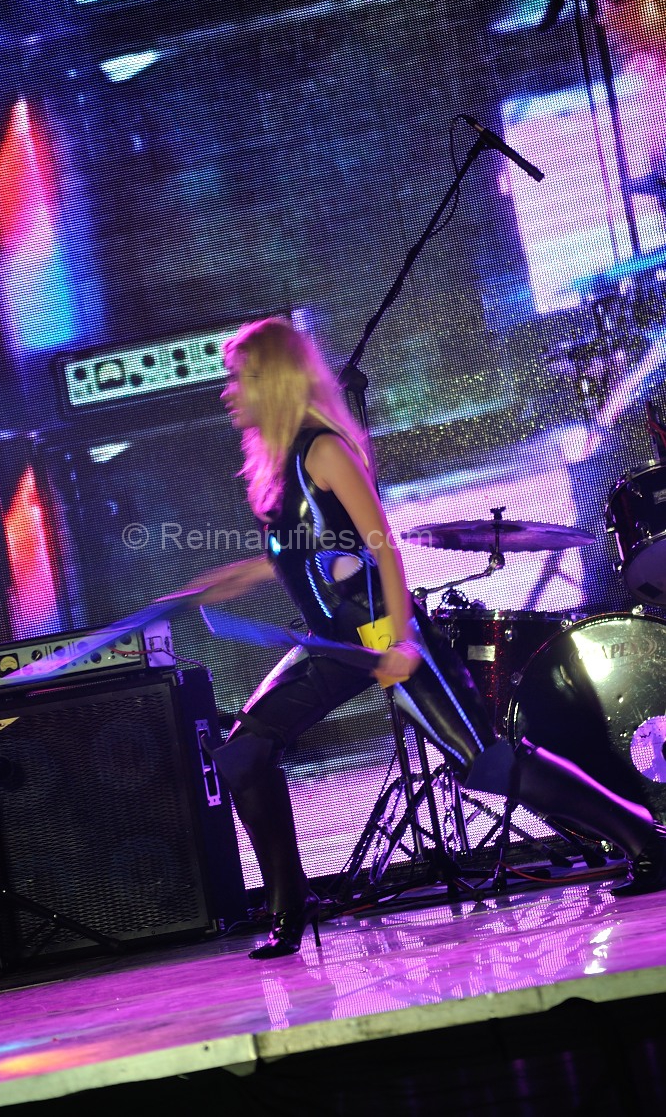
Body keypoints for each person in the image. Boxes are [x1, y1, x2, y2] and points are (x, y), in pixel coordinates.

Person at [188, 317, 666, 960]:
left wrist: (402, 642)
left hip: (386, 629)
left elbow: (383, 548)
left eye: (238, 378)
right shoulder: (280, 471)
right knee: (244, 753)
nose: (228, 392)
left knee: (487, 765)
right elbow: (303, 555)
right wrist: (227, 580)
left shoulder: (323, 451)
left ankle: (644, 838)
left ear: (272, 380)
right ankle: (287, 906)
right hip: (332, 644)